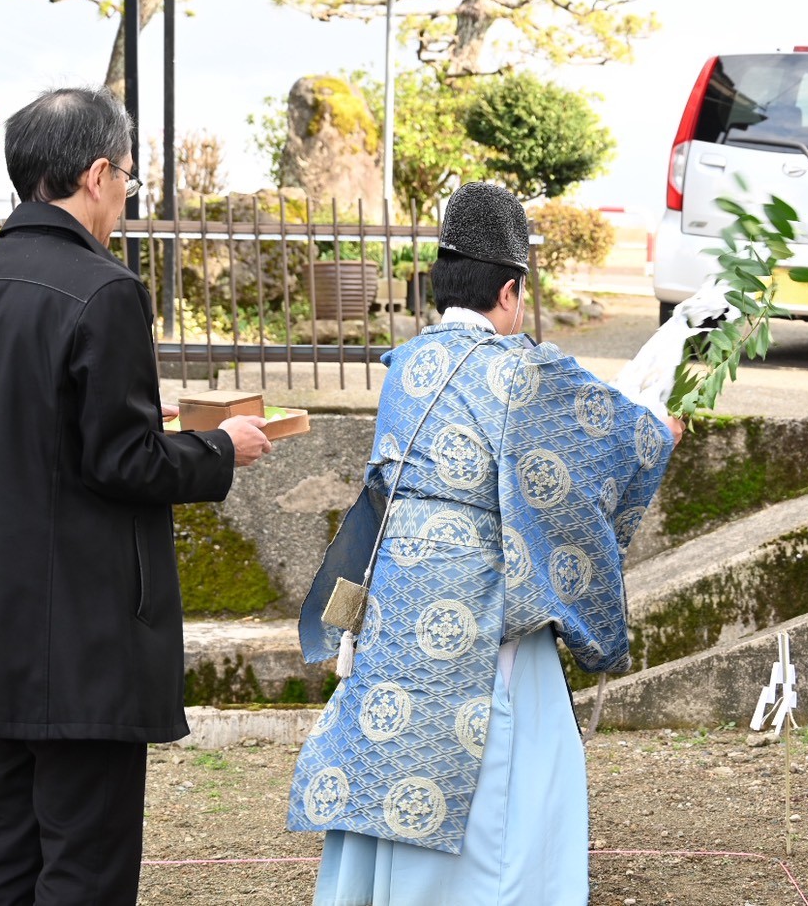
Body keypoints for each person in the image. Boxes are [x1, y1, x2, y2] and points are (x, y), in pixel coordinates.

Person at [0, 86, 273, 905]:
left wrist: (152, 428)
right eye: (126, 181)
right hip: (81, 641)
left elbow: (7, 436)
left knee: (8, 853)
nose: (123, 199)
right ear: (97, 172)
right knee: (86, 865)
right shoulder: (103, 289)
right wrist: (220, 447)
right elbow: (122, 461)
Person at [289, 182, 682, 905]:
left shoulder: (405, 366)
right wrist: (658, 433)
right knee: (505, 782)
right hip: (476, 610)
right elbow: (601, 446)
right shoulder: (520, 368)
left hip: (397, 607)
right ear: (509, 290)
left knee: (393, 756)